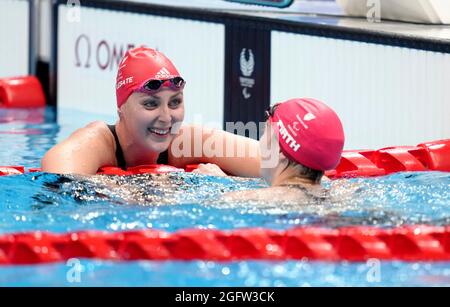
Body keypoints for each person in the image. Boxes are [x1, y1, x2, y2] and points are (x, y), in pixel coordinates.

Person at [42, 47, 260, 176]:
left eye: (175, 103)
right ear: (121, 108)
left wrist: (225, 187)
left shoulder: (187, 141)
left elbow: (279, 165)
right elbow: (55, 177)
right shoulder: (96, 142)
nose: (166, 118)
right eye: (150, 104)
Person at [222, 98, 345, 203]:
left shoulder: (242, 199)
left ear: (279, 150)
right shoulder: (339, 195)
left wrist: (225, 185)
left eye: (266, 130)